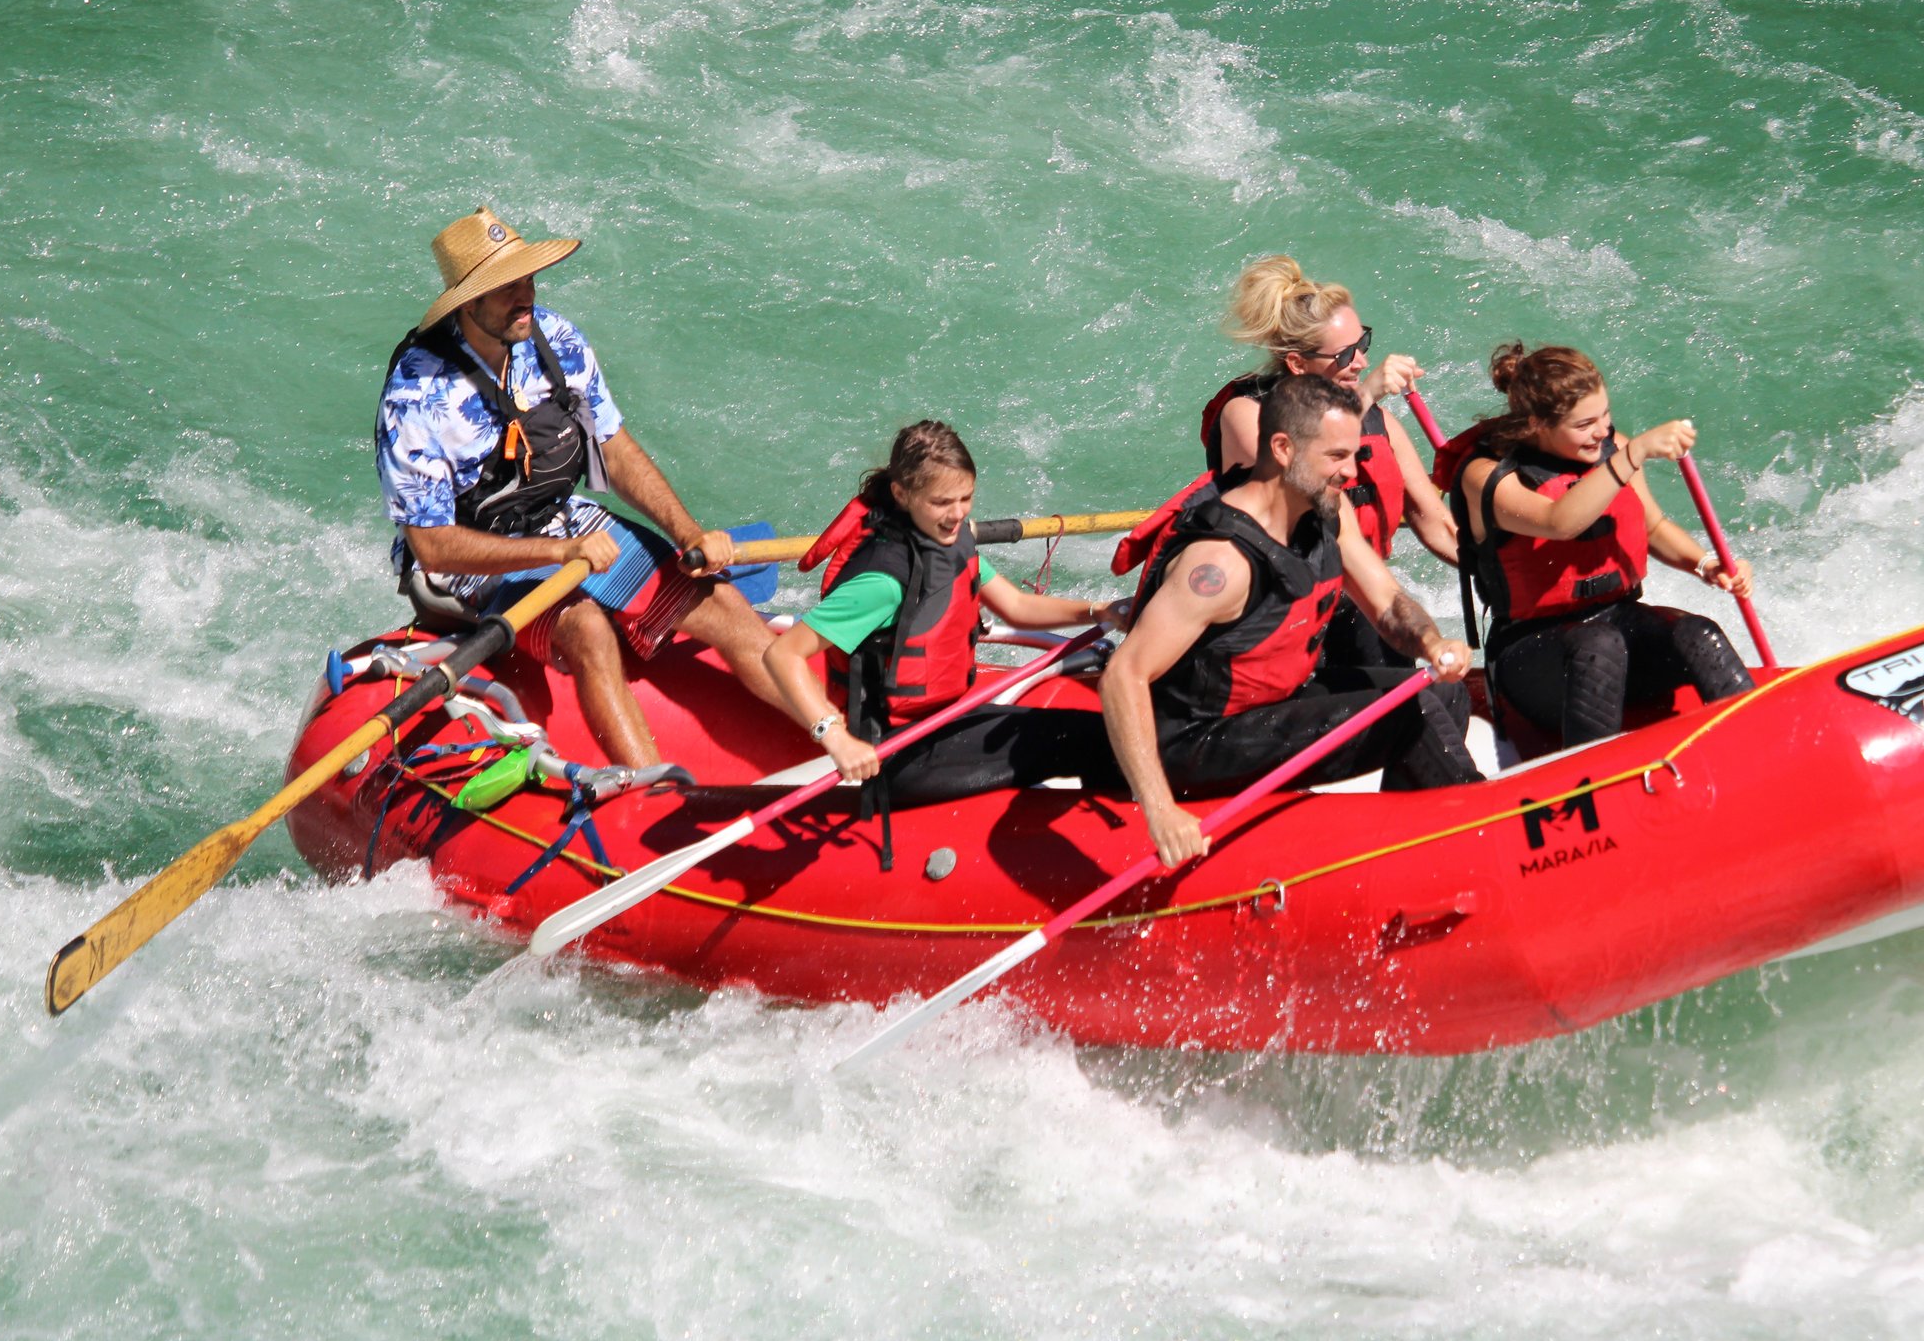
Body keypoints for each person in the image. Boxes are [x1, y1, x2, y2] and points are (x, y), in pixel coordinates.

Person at [376, 207, 779, 769]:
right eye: (507, 288)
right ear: (469, 303)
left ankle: (832, 736)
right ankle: (650, 790)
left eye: (529, 280)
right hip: (467, 560)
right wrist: (560, 553)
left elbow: (613, 448)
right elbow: (434, 547)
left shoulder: (556, 340)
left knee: (724, 604)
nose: (527, 296)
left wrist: (688, 533)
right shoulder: (415, 395)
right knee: (587, 628)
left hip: (561, 520)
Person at [1106, 374, 1482, 870]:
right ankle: (1477, 837)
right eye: (1336, 457)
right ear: (1282, 448)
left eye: (1353, 455)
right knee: (1408, 718)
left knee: (1443, 693)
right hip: (1198, 738)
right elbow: (1123, 675)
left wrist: (1431, 642)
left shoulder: (1325, 511)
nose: (1351, 471)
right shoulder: (1219, 564)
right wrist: (1160, 810)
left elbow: (1387, 602)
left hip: (1274, 701)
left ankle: (1407, 847)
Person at [763, 421, 1130, 810]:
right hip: (898, 751)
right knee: (1087, 741)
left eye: (965, 498)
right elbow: (782, 656)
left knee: (1097, 731)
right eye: (942, 502)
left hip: (944, 720)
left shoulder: (949, 543)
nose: (957, 514)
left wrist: (1097, 611)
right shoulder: (882, 581)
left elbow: (1016, 606)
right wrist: (834, 737)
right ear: (902, 494)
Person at [1433, 342, 1754, 756]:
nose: (1602, 431)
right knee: (1598, 645)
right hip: (1534, 661)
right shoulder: (1487, 476)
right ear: (1537, 424)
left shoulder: (1610, 446)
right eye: (1584, 424)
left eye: (1604, 415)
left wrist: (1706, 564)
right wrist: (1634, 453)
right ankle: (1594, 778)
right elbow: (1559, 522)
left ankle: (1757, 746)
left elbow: (1653, 526)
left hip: (1618, 626)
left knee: (1699, 633)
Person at [1201, 255, 1458, 667]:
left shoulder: (1380, 422)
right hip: (1280, 610)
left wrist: (1504, 568)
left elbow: (1434, 521)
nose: (1361, 362)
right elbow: (1296, 474)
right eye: (1344, 354)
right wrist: (1366, 396)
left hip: (1363, 600)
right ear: (1297, 364)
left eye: (1363, 344)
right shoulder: (1245, 414)